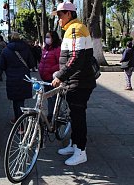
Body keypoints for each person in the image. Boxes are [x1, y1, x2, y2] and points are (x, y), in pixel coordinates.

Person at [51, 1, 96, 166]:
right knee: (73, 116)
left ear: (68, 14)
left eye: (60, 15)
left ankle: (80, 151)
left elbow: (76, 58)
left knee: (78, 117)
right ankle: (74, 145)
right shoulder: (72, 29)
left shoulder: (75, 29)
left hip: (80, 82)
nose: (59, 20)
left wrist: (61, 76)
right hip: (75, 81)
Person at [0, 32, 35, 124]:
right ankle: (20, 121)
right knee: (21, 101)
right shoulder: (26, 48)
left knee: (15, 100)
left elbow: (1, 66)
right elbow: (32, 64)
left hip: (11, 78)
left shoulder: (6, 50)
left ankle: (18, 121)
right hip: (24, 78)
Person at [38, 31, 61, 121]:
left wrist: (50, 69)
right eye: (46, 37)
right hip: (44, 78)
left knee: (53, 98)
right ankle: (51, 114)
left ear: (53, 38)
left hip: (52, 78)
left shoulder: (57, 49)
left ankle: (53, 116)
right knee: (48, 98)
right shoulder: (45, 49)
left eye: (49, 37)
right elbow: (42, 61)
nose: (47, 39)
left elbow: (60, 63)